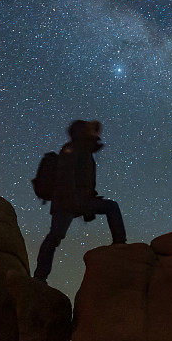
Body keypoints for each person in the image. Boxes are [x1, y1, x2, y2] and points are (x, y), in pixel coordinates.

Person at [34, 120, 126, 281]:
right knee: (55, 236)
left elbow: (83, 181)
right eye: (92, 130)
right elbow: (66, 176)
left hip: (73, 201)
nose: (97, 133)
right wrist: (78, 202)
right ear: (83, 132)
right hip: (67, 202)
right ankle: (39, 277)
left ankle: (40, 276)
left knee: (55, 236)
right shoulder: (73, 149)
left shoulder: (83, 150)